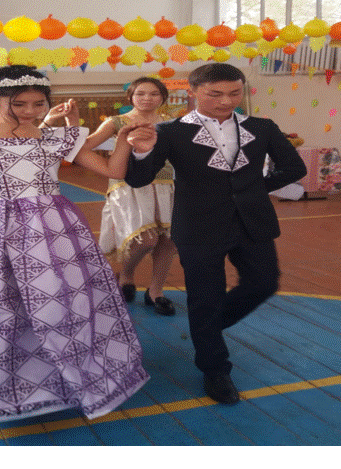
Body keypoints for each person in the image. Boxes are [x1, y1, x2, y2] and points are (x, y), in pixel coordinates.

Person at [0, 65, 150, 425]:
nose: (30, 111)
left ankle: (63, 374)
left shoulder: (56, 138)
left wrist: (122, 142)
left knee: (58, 302)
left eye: (39, 104)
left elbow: (113, 172)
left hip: (52, 230)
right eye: (19, 104)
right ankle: (4, 380)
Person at [124, 62, 307, 405]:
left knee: (264, 282)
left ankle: (207, 326)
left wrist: (254, 190)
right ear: (193, 92)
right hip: (197, 225)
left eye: (235, 93)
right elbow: (138, 178)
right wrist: (142, 151)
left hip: (252, 221)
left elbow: (294, 167)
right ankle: (215, 369)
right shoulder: (170, 131)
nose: (226, 101)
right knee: (204, 296)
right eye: (215, 94)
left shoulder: (262, 127)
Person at [72, 77, 177, 315]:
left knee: (169, 240)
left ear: (163, 97)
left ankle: (156, 291)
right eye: (141, 93)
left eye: (154, 94)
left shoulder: (171, 122)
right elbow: (84, 146)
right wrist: (72, 123)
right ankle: (127, 274)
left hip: (167, 185)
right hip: (128, 186)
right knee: (146, 240)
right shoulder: (116, 122)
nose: (147, 98)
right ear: (131, 97)